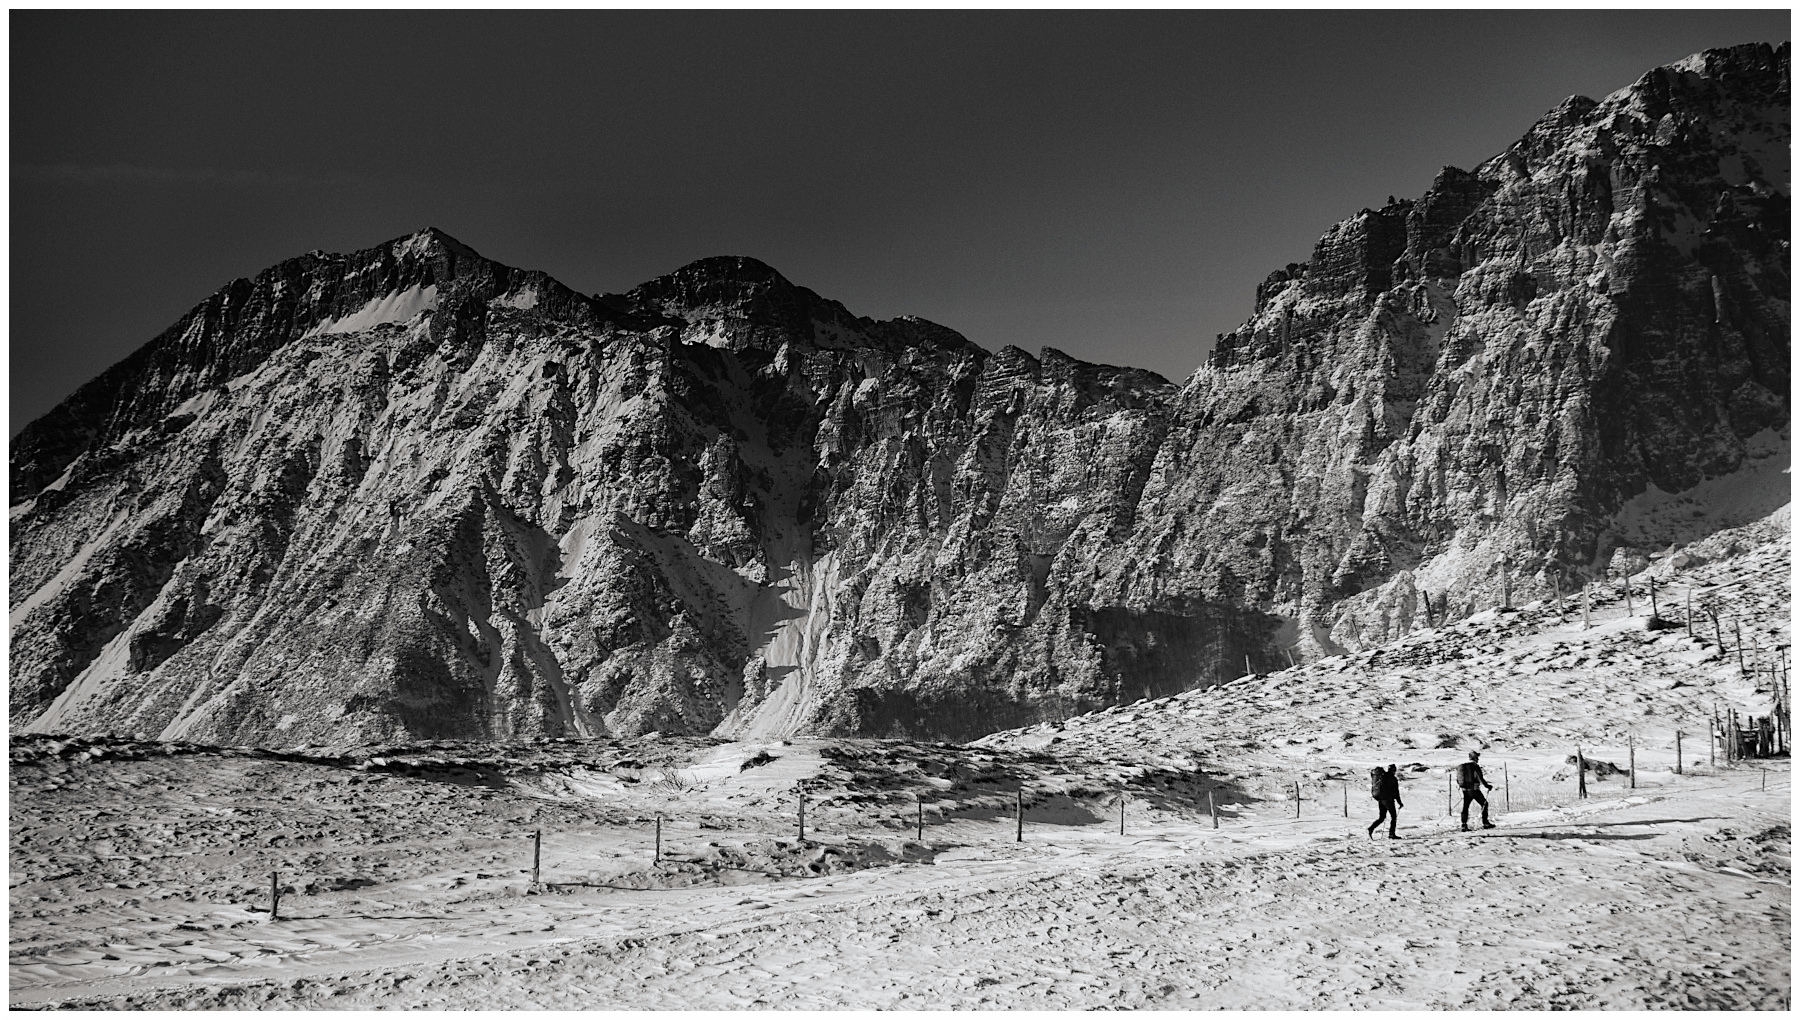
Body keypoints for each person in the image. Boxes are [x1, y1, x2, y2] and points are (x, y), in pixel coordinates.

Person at [1458, 751, 1496, 830]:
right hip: (1475, 790)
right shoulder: (1475, 766)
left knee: (1465, 807)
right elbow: (1480, 778)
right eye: (1477, 757)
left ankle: (1464, 824)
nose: (1478, 759)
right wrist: (1487, 786)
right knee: (1484, 804)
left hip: (1465, 790)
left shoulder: (1463, 766)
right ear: (1475, 758)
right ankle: (1485, 823)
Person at [1367, 764, 1402, 839]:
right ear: (1394, 770)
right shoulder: (1392, 778)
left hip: (1380, 799)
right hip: (1388, 800)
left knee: (1382, 817)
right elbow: (1396, 792)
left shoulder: (1383, 776)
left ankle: (1371, 828)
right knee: (1393, 817)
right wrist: (1399, 802)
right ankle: (1392, 834)